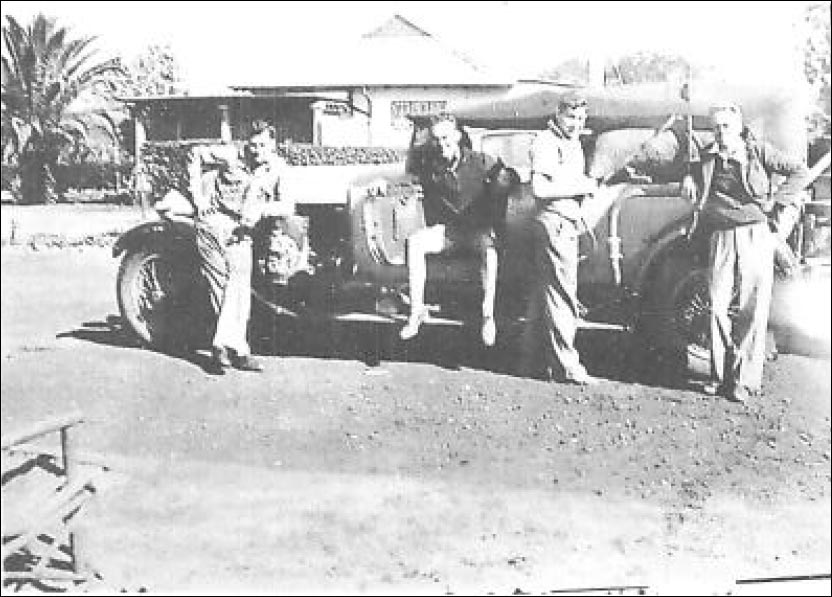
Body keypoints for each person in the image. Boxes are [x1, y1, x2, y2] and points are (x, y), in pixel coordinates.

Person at [681, 102, 809, 403]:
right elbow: (691, 169)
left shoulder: (758, 152)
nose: (721, 132)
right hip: (720, 235)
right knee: (716, 306)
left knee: (752, 306)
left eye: (726, 126)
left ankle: (744, 381)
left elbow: (799, 172)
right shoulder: (707, 156)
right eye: (716, 127)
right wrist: (687, 178)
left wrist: (777, 201)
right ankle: (718, 375)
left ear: (738, 127)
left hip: (755, 233)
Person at [399, 113, 515, 346]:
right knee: (416, 242)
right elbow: (407, 182)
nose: (442, 144)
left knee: (490, 250)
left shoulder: (480, 161)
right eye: (437, 139)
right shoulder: (429, 164)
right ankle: (416, 311)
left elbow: (509, 177)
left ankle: (488, 316)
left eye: (446, 138)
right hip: (449, 231)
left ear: (457, 136)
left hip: (477, 231)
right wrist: (382, 184)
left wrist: (504, 179)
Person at [190, 120, 293, 374]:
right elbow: (194, 154)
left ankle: (224, 346)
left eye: (263, 145)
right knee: (221, 285)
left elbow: (287, 206)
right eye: (253, 145)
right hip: (212, 226)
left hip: (241, 232)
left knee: (238, 288)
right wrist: (198, 198)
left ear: (273, 145)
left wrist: (261, 210)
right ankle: (236, 350)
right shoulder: (231, 155)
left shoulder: (279, 169)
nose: (256, 151)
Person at [520, 91, 600, 385]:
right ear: (557, 114)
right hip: (554, 224)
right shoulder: (546, 142)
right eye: (570, 117)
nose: (575, 123)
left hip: (563, 223)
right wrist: (582, 186)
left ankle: (533, 362)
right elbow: (540, 188)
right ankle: (568, 365)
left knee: (545, 294)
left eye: (580, 118)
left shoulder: (572, 142)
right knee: (563, 295)